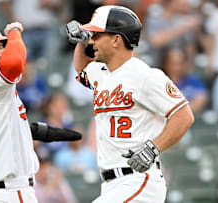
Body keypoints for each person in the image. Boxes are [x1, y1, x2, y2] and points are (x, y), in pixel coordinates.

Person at [66, 5, 194, 203]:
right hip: (111, 184)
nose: (92, 40)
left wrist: (154, 148)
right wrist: (82, 42)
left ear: (116, 40)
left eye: (97, 35)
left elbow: (184, 115)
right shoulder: (101, 73)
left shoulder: (145, 76)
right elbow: (81, 68)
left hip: (139, 180)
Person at [0, 22, 81, 203]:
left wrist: (36, 132)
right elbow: (15, 61)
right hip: (9, 192)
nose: (3, 50)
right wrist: (14, 31)